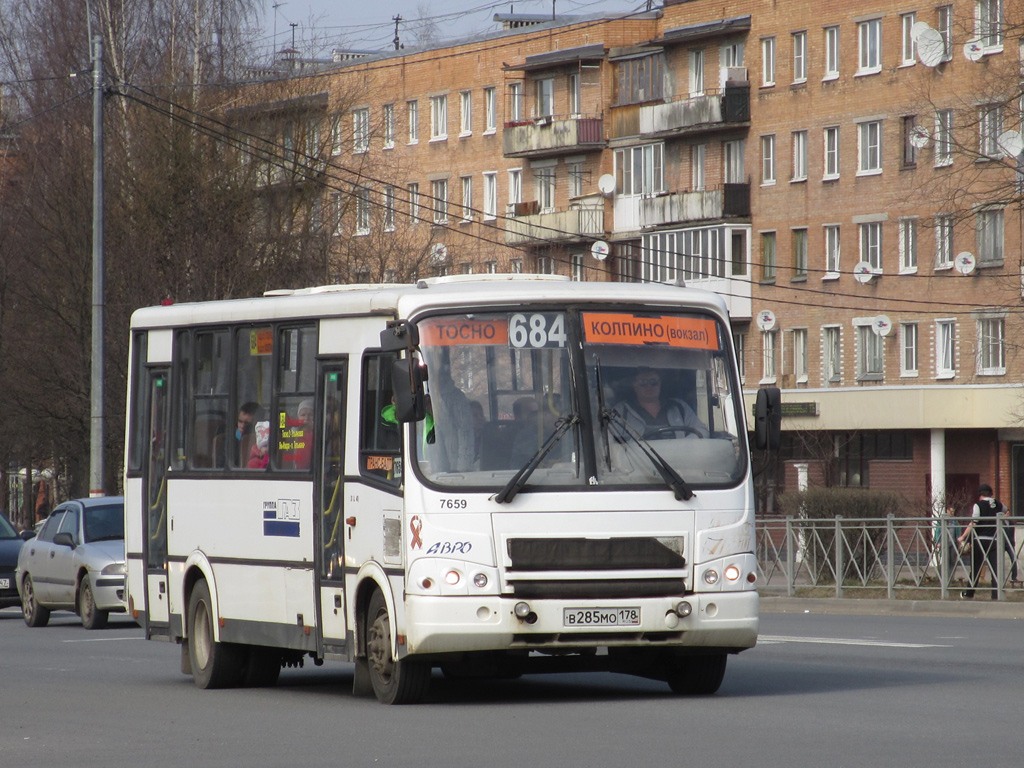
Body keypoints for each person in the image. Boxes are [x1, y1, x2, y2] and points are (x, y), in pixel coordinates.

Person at [613, 367, 709, 439]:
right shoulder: (620, 411)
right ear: (634, 386)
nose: (649, 387)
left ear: (660, 384)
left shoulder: (680, 407)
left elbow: (702, 431)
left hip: (679, 463)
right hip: (637, 464)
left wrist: (685, 445)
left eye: (653, 382)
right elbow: (609, 442)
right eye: (643, 383)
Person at [958, 484, 1006, 600]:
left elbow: (974, 522)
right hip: (994, 540)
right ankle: (996, 594)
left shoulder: (978, 505)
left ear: (980, 495)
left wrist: (964, 536)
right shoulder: (999, 504)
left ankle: (969, 593)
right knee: (995, 568)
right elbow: (1005, 510)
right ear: (991, 493)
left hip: (979, 540)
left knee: (975, 568)